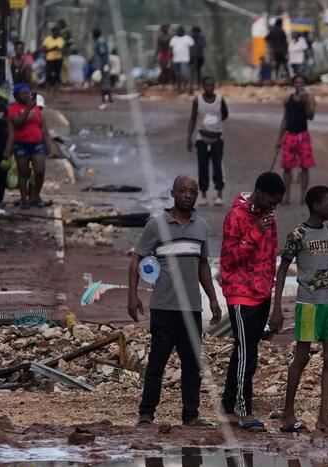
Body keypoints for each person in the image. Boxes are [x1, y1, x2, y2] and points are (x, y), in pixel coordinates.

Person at [128, 175, 222, 426]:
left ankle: (191, 416)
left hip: (191, 307)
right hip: (164, 307)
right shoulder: (156, 225)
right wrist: (132, 294)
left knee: (192, 365)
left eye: (193, 191)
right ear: (173, 193)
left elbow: (203, 265)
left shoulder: (200, 226)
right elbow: (137, 259)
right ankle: (146, 414)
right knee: (157, 364)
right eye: (183, 190)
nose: (188, 195)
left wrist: (213, 299)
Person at [269, 186, 328, 435]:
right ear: (316, 206)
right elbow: (282, 271)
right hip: (308, 305)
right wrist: (276, 307)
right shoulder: (298, 235)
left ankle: (324, 417)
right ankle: (288, 414)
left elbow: (327, 270)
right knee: (301, 358)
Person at [219, 172, 286, 431]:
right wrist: (254, 233)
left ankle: (227, 407)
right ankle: (244, 411)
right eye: (271, 201)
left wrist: (270, 292)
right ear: (258, 192)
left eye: (277, 203)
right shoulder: (236, 217)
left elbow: (270, 256)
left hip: (261, 293)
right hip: (239, 293)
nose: (273, 207)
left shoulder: (269, 217)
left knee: (245, 351)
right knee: (248, 354)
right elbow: (229, 260)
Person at [7, 83, 53, 208]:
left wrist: (48, 144)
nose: (27, 95)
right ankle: (23, 198)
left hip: (37, 143)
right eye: (23, 93)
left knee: (40, 170)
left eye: (28, 93)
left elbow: (43, 127)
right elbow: (18, 123)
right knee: (23, 172)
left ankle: (35, 196)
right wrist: (27, 109)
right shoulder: (13, 109)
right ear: (16, 96)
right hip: (21, 144)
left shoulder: (36, 109)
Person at [187, 76, 229, 207]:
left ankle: (219, 194)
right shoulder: (197, 101)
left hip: (217, 138)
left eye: (212, 85)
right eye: (207, 85)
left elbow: (225, 114)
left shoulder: (220, 100)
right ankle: (204, 194)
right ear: (203, 86)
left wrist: (215, 123)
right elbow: (193, 118)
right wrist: (189, 137)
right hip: (202, 138)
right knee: (202, 166)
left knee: (218, 166)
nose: (210, 88)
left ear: (215, 86)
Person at [276, 75, 316, 206]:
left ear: (304, 84)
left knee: (305, 167)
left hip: (303, 136)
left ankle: (303, 197)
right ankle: (286, 196)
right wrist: (279, 138)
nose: (299, 84)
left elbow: (310, 116)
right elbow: (285, 119)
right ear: (293, 84)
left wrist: (307, 103)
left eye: (301, 82)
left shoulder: (308, 98)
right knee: (287, 167)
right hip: (290, 136)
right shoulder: (288, 99)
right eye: (297, 82)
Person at [169, 26, 195, 94]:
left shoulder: (188, 39)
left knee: (185, 74)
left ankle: (187, 86)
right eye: (177, 31)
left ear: (183, 31)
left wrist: (192, 57)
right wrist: (170, 59)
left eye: (180, 31)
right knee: (177, 75)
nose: (178, 32)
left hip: (185, 59)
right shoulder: (173, 39)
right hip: (176, 59)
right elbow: (170, 49)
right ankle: (179, 88)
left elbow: (192, 49)